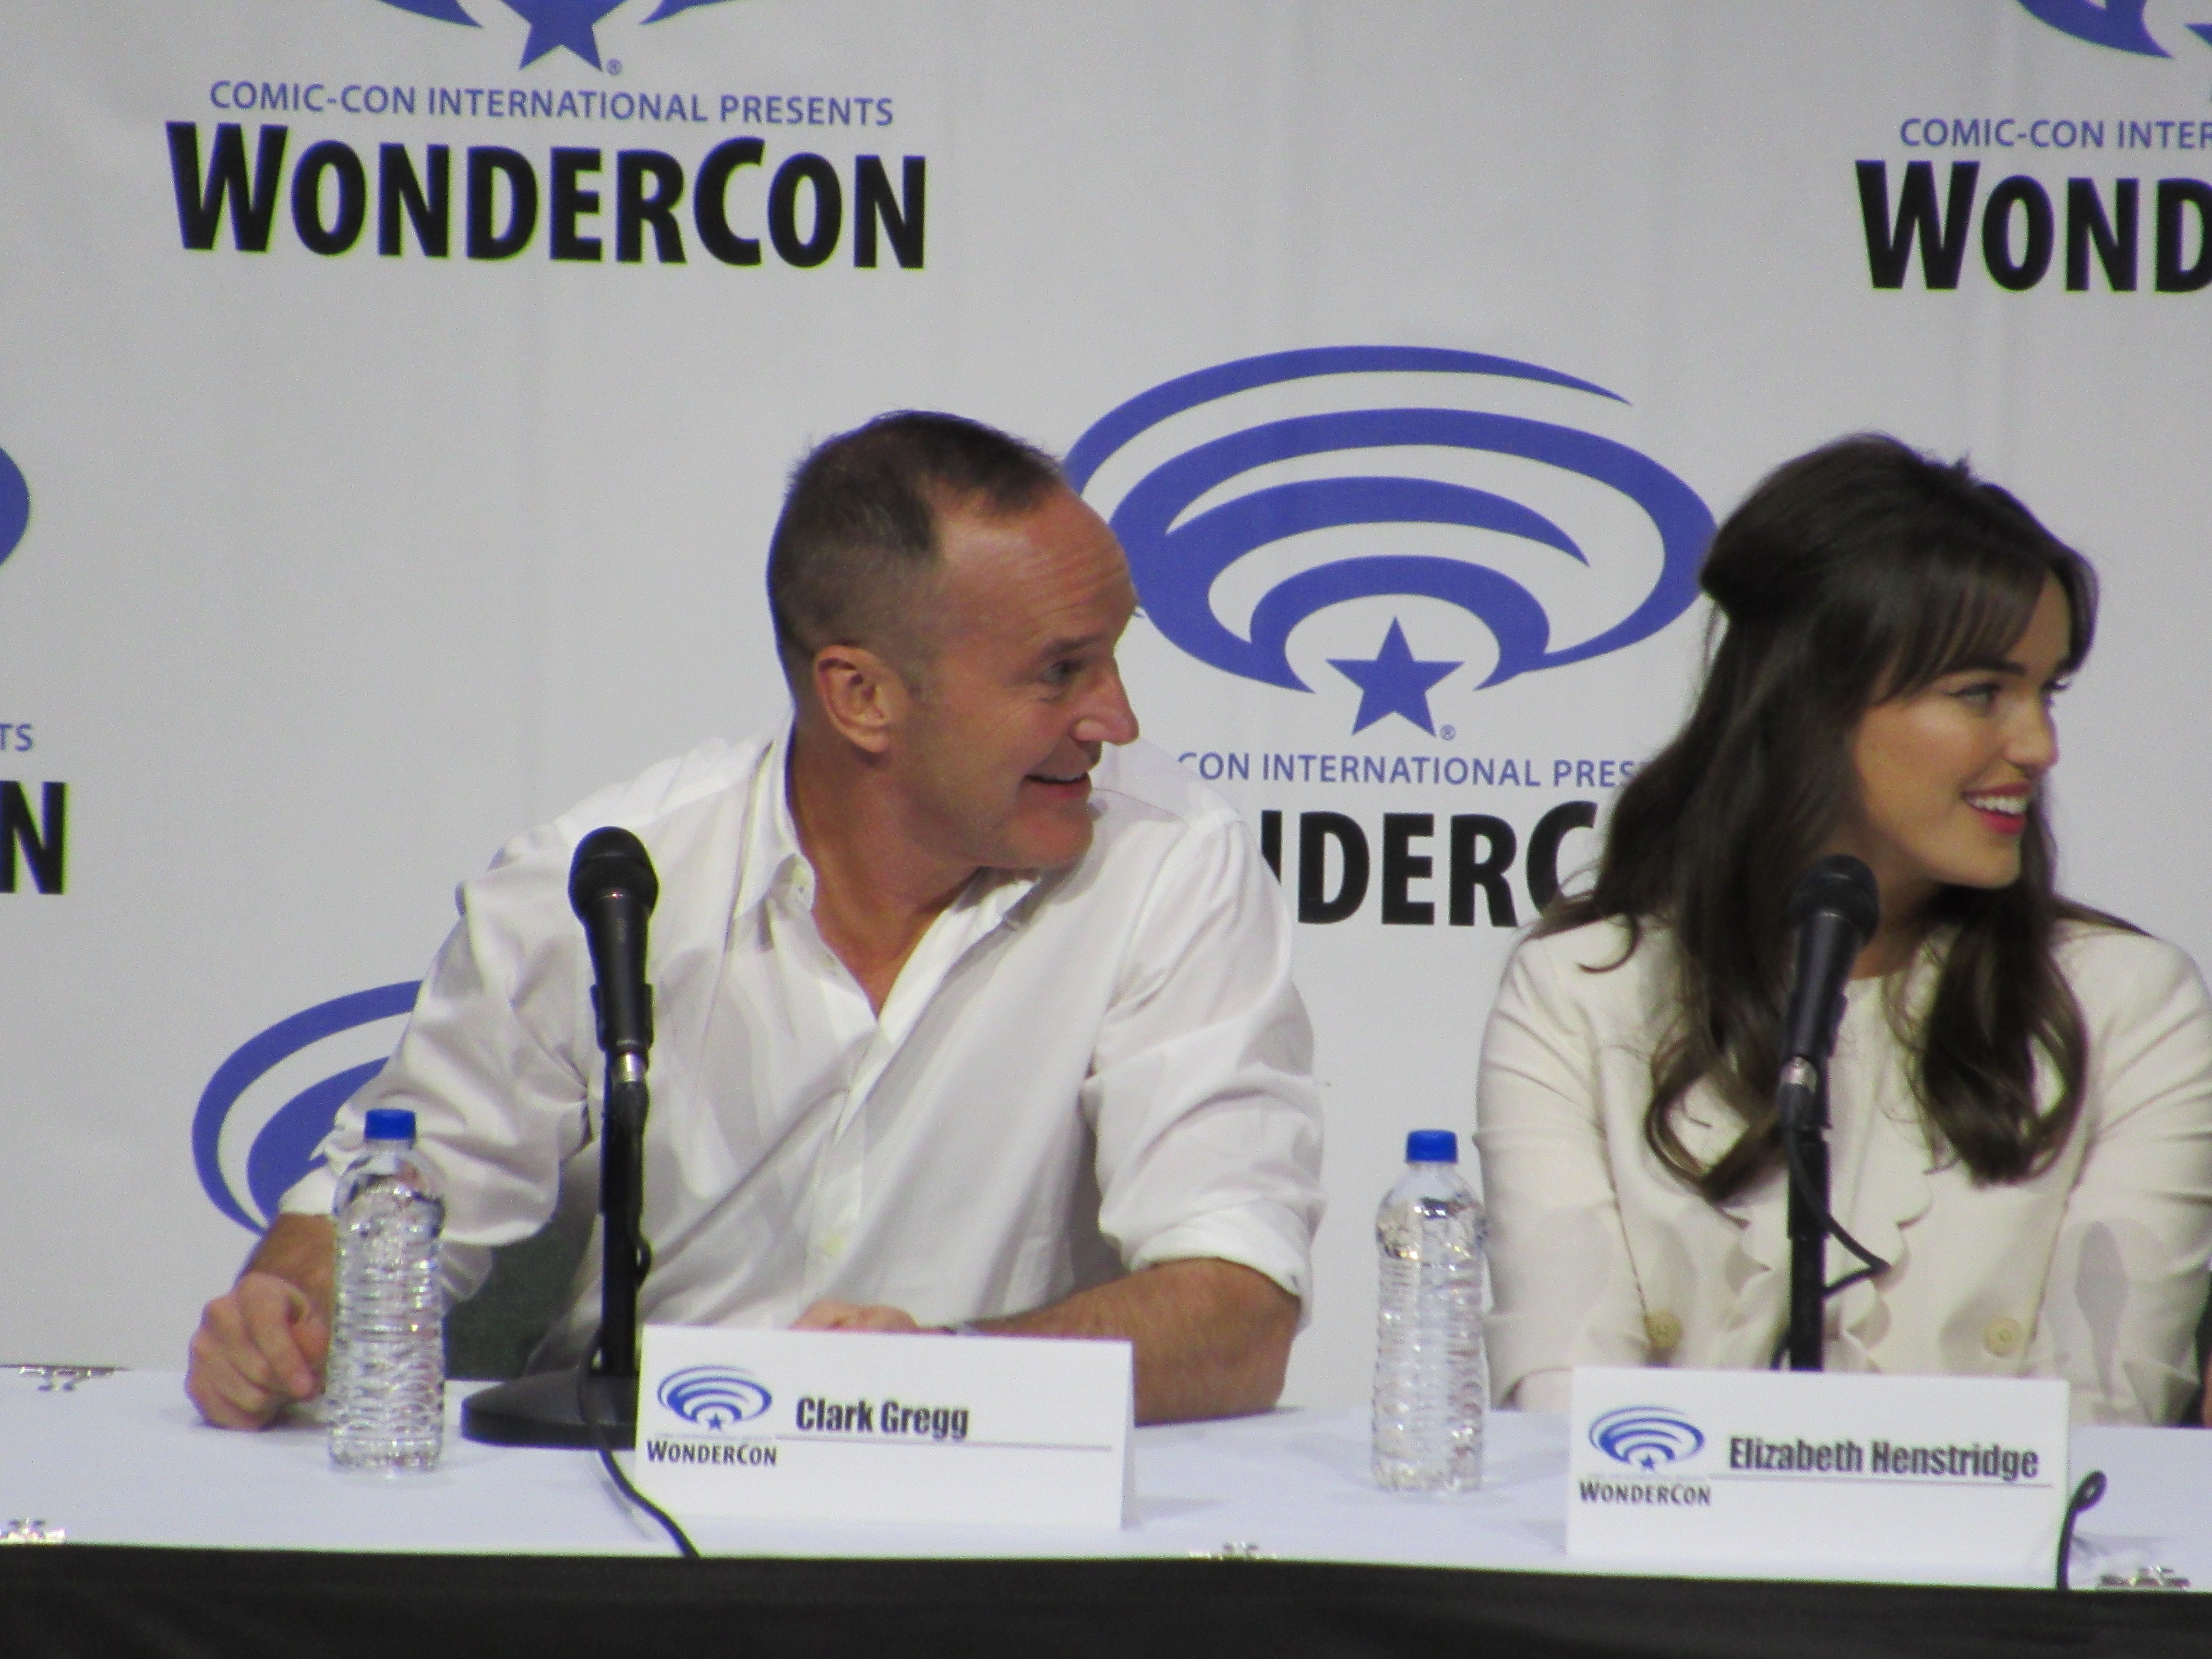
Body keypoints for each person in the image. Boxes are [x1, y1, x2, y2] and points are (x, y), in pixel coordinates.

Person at [187, 412, 1324, 1431]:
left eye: (1113, 654)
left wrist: (945, 1377)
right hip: (631, 1510)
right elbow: (391, 1199)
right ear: (861, 696)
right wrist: (288, 1315)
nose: (1116, 719)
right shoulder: (607, 885)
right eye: (1060, 673)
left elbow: (1236, 1308)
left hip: (989, 1516)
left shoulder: (1171, 864)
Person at [1476, 433, 2212, 1425]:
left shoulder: (2129, 1005)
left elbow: (2108, 1426)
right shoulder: (1584, 991)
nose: (2039, 746)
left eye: (2047, 693)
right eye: (1982, 694)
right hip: (1662, 1533)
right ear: (1812, 700)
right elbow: (1565, 1409)